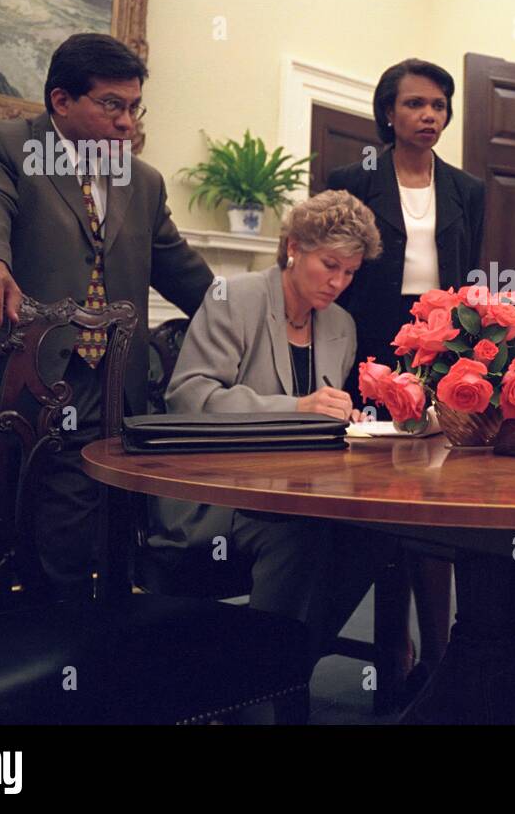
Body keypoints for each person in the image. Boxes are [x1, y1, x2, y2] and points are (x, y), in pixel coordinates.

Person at [0, 33, 213, 596]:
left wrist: (257, 312)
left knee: (78, 540)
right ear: (60, 101)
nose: (127, 123)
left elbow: (183, 271)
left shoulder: (140, 179)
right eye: (112, 105)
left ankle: (71, 646)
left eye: (134, 107)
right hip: (11, 382)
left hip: (110, 385)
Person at [149, 190, 390, 671]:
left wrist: (347, 422)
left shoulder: (341, 324)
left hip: (300, 489)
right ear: (295, 246)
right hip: (216, 494)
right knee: (300, 533)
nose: (339, 282)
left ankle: (263, 673)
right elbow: (191, 399)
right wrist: (299, 407)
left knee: (375, 535)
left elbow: (321, 422)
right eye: (329, 265)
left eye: (350, 272)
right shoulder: (234, 298)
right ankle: (264, 678)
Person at [327, 58, 485, 697]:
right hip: (366, 344)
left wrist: (465, 352)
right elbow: (337, 265)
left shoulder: (467, 188)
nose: (429, 116)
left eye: (439, 106)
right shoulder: (351, 178)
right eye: (416, 104)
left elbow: (468, 276)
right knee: (382, 497)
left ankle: (439, 656)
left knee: (434, 494)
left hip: (438, 345)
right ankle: (391, 650)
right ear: (388, 112)